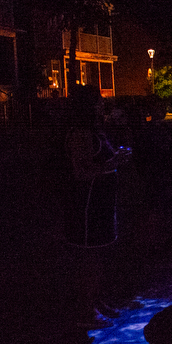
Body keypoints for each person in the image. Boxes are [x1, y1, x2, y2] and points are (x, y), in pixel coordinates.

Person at [62, 84, 132, 327]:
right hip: (87, 205)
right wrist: (114, 162)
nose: (102, 104)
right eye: (98, 101)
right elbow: (81, 172)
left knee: (99, 255)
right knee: (88, 258)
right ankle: (86, 312)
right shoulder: (81, 134)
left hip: (101, 203)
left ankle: (97, 301)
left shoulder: (95, 130)